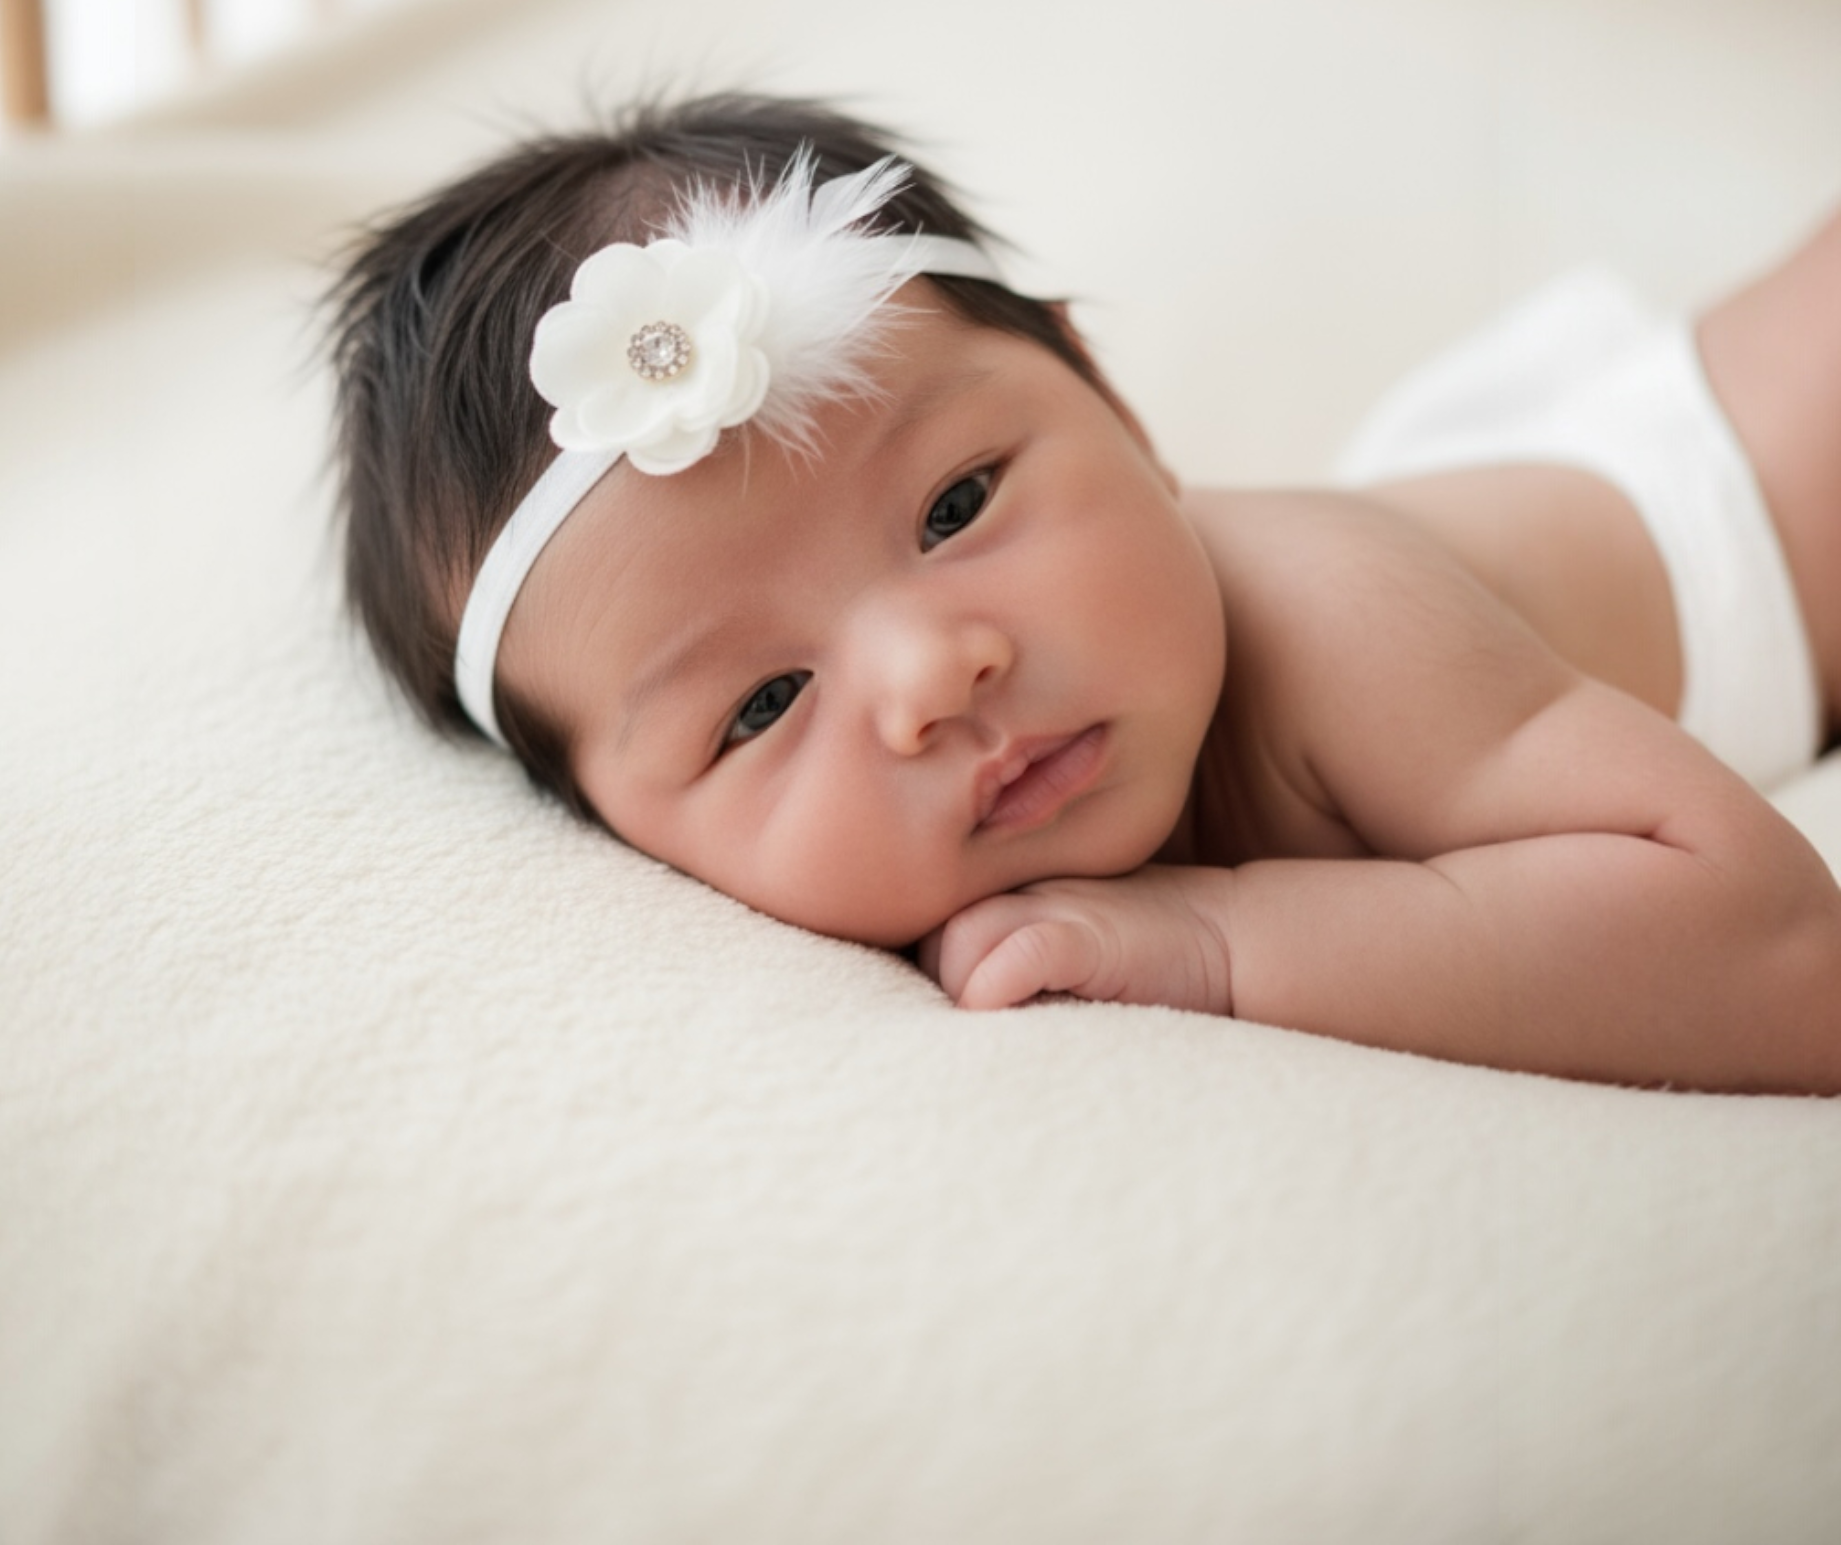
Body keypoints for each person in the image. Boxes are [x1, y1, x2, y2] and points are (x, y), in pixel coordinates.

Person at [324, 91, 1841, 1093]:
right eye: (765, 704)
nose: (934, 675)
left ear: (1108, 394)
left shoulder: (1332, 621)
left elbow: (1777, 948)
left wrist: (1219, 948)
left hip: (1756, 506)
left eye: (958, 503)